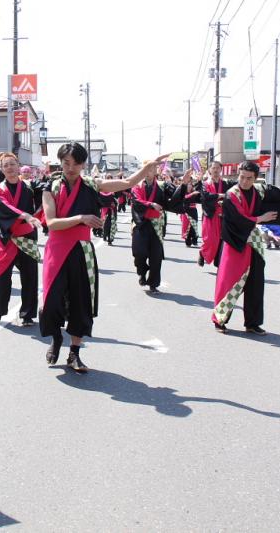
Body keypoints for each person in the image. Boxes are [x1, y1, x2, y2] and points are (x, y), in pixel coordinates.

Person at [41, 144, 168, 371]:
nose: (70, 168)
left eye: (76, 163)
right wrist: (81, 218)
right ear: (60, 162)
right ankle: (56, 337)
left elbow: (127, 182)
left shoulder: (92, 184)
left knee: (82, 301)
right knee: (51, 302)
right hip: (57, 250)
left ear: (83, 164)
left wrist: (148, 166)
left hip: (82, 250)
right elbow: (51, 223)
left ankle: (74, 353)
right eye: (66, 163)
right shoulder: (50, 187)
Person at [212, 162, 280, 335]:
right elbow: (238, 219)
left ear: (255, 178)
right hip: (235, 242)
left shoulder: (259, 190)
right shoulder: (231, 194)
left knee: (256, 283)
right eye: (242, 177)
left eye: (249, 178)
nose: (244, 181)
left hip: (254, 241)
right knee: (229, 283)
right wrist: (261, 218)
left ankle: (252, 323)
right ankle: (220, 319)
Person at [0, 152, 45, 325]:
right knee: (2, 279)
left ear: (18, 166)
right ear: (1, 169)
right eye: (5, 165)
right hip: (6, 238)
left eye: (12, 164)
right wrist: (25, 215)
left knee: (30, 278)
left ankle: (27, 315)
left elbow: (46, 191)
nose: (9, 168)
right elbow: (4, 207)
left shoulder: (29, 186)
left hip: (26, 237)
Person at [130, 162, 189, 293]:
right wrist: (151, 204)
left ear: (156, 171)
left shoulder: (162, 185)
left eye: (151, 169)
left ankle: (153, 283)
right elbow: (136, 201)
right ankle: (142, 271)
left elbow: (174, 197)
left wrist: (183, 184)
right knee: (139, 253)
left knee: (156, 255)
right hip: (140, 223)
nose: (149, 171)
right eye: (146, 169)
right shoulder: (136, 185)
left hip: (156, 223)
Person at [198, 161, 237, 267]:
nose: (215, 170)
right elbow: (205, 196)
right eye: (213, 168)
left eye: (217, 168)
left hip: (223, 215)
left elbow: (232, 194)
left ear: (221, 169)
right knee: (209, 239)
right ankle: (202, 253)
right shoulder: (205, 184)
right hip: (210, 215)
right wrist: (219, 196)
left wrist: (224, 201)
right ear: (210, 170)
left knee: (222, 240)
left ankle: (218, 262)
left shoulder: (226, 183)